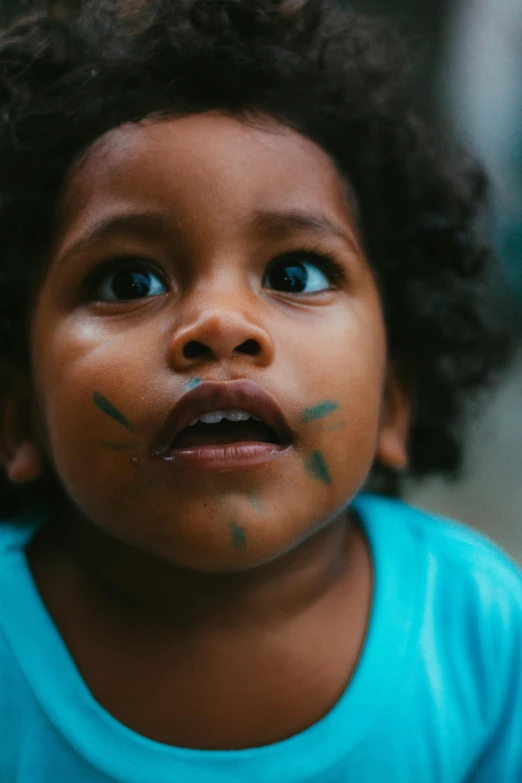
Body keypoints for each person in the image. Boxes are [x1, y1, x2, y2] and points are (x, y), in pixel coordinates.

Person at [0, 1, 520, 780]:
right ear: (16, 419)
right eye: (128, 279)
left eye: (295, 273)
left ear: (394, 402)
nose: (220, 324)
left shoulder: (478, 631)